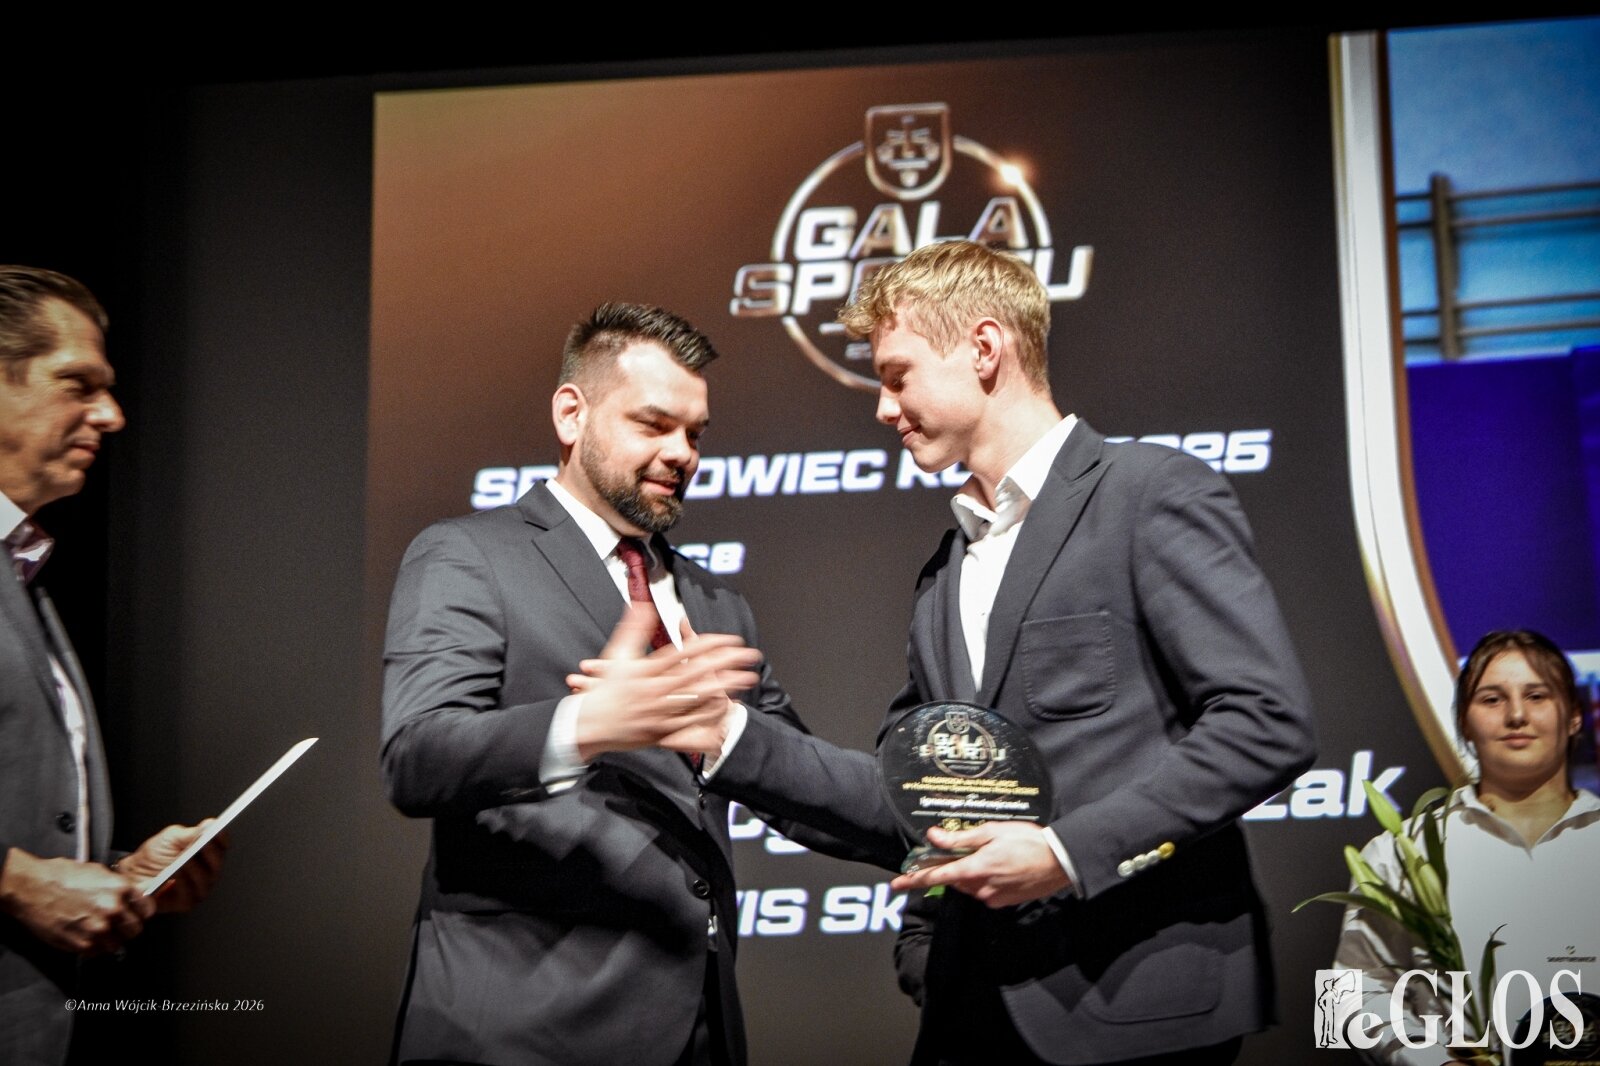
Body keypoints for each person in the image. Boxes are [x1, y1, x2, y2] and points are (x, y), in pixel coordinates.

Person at [653, 240, 1317, 1065]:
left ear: (984, 348)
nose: (884, 408)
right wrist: (730, 737)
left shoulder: (1148, 493)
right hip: (971, 1013)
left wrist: (1067, 854)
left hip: (1133, 1006)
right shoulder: (947, 571)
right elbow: (909, 797)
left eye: (897, 376)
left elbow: (1266, 723)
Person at [381, 302, 807, 1066]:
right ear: (571, 414)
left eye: (696, 434)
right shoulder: (467, 555)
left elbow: (797, 776)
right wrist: (581, 726)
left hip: (702, 1031)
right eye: (654, 425)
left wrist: (936, 818)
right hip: (520, 1035)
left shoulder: (717, 605)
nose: (682, 453)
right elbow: (418, 755)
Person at [0, 265, 226, 1065]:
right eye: (79, 385)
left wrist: (119, 875)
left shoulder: (22, 568)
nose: (112, 415)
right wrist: (15, 883)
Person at [1333, 629, 1599, 1065]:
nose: (1516, 715)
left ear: (1573, 716)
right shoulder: (1403, 852)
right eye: (1492, 699)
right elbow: (1346, 997)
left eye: (1536, 696)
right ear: (1463, 722)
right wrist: (1433, 1061)